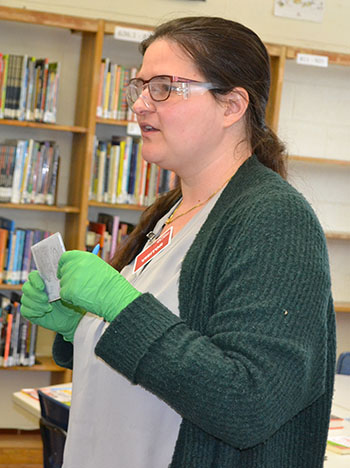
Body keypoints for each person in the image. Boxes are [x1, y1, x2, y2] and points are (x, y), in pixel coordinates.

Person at [20, 16, 336, 468]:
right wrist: (81, 327)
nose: (140, 104)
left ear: (231, 106)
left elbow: (248, 401)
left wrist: (119, 306)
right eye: (141, 86)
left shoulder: (274, 219)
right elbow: (161, 354)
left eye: (164, 87)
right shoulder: (170, 211)